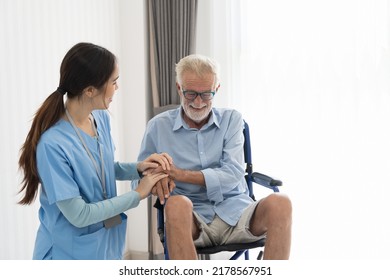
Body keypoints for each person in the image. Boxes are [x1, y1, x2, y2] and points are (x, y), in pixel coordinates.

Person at [18, 42, 171, 260]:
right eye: (113, 82)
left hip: (105, 245)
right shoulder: (52, 145)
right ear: (90, 90)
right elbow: (79, 215)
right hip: (67, 253)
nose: (117, 88)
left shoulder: (100, 118)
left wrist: (138, 168)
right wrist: (138, 194)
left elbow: (102, 168)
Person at [133, 54, 292, 260]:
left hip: (237, 213)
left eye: (206, 94)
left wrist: (178, 174)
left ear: (216, 89)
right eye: (190, 94)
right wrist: (155, 180)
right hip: (190, 220)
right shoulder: (157, 126)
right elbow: (138, 182)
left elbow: (233, 174)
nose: (198, 102)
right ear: (179, 88)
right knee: (175, 204)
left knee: (282, 202)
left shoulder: (232, 120)